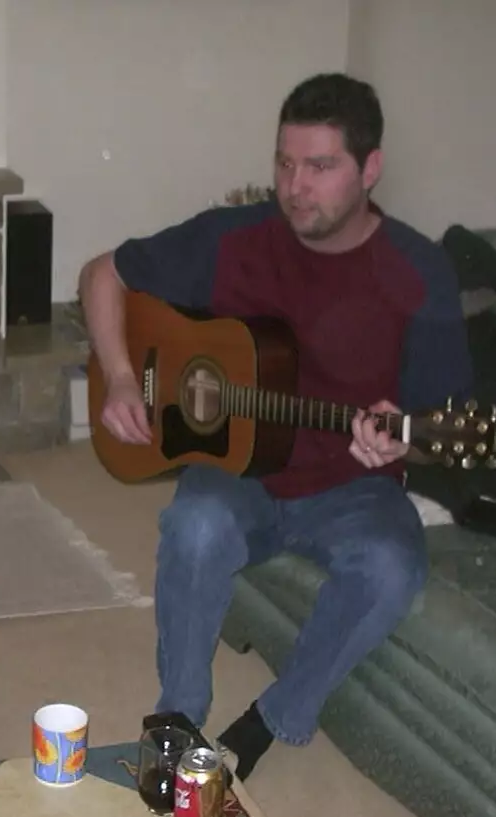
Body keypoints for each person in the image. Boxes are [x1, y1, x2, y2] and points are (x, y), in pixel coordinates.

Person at [79, 73, 473, 780]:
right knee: (194, 524)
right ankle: (177, 714)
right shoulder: (236, 239)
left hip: (353, 487)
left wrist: (402, 434)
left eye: (320, 167)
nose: (297, 187)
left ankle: (274, 715)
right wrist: (115, 376)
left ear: (370, 169)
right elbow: (103, 275)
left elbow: (444, 416)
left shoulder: (418, 270)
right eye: (285, 164)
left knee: (392, 566)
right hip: (241, 471)